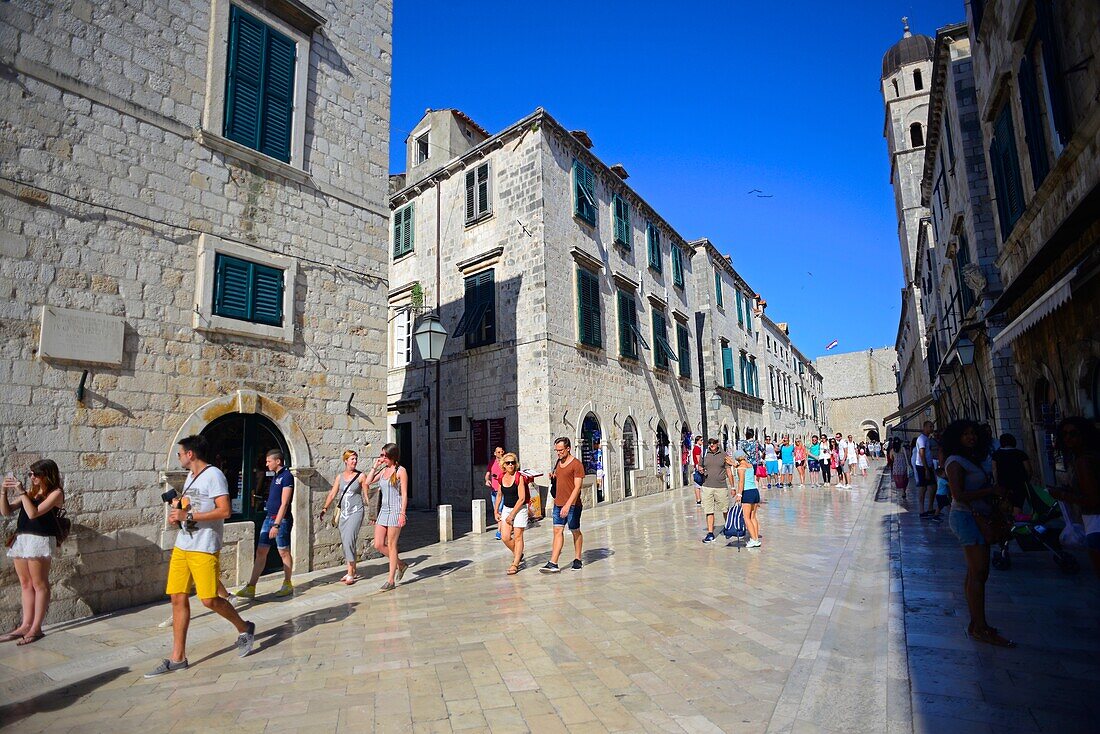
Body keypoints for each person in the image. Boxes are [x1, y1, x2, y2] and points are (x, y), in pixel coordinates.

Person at [146, 436, 255, 676]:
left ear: (191, 454)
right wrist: (180, 508)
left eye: (180, 453)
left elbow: (224, 510)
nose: (179, 457)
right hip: (183, 544)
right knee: (177, 597)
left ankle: (244, 627)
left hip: (204, 546)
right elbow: (194, 505)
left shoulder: (214, 475)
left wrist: (189, 516)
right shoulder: (191, 477)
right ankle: (178, 658)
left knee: (209, 599)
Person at [942, 420, 1014, 647]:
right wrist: (991, 490)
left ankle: (977, 624)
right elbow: (958, 494)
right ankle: (980, 627)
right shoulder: (954, 462)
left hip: (976, 516)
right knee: (979, 572)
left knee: (976, 573)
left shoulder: (970, 458)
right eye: (965, 434)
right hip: (966, 518)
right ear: (957, 438)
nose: (971, 437)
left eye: (973, 433)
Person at [1, 460, 65, 645]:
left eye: (35, 474)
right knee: (25, 583)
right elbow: (5, 512)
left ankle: (36, 628)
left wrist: (22, 493)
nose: (32, 477)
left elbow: (33, 513)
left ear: (47, 475)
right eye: (30, 474)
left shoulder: (56, 493)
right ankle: (25, 625)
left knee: (39, 583)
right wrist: (4, 491)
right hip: (22, 539)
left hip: (40, 539)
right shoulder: (30, 493)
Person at [234, 450, 295, 599]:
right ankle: (251, 586)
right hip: (269, 517)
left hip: (280, 520)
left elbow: (285, 503)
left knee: (283, 551)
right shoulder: (275, 477)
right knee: (261, 551)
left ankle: (287, 583)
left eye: (269, 461)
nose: (266, 464)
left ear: (278, 461)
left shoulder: (287, 477)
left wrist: (277, 524)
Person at [1050, 417, 1100, 578]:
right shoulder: (1091, 457)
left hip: (1096, 523)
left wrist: (1062, 495)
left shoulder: (1083, 461)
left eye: (1073, 434)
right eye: (1064, 434)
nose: (1068, 438)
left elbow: (1093, 500)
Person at [320, 450, 371, 585]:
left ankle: (350, 573)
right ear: (346, 461)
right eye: (352, 459)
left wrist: (372, 510)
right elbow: (332, 494)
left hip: (356, 512)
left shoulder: (361, 476)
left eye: (355, 459)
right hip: (344, 513)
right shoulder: (340, 477)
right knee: (346, 541)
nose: (354, 461)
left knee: (349, 539)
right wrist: (325, 508)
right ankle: (352, 569)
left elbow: (367, 495)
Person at [366, 443, 409, 591]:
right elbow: (367, 482)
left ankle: (390, 580)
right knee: (378, 544)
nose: (382, 458)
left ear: (392, 456)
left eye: (384, 455)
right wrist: (375, 466)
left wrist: (403, 513)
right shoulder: (383, 470)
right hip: (383, 511)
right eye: (381, 455)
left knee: (391, 545)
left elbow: (404, 494)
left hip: (395, 511)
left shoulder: (400, 471)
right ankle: (401, 564)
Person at [542, 437, 584, 573]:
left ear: (568, 448)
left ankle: (577, 559)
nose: (558, 453)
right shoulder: (558, 463)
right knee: (557, 531)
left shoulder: (577, 464)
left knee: (575, 530)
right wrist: (553, 477)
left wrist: (568, 505)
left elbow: (577, 487)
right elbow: (561, 479)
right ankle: (553, 562)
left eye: (560, 450)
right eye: (556, 450)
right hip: (558, 503)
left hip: (573, 505)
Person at [496, 452, 529, 574]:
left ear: (516, 465)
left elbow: (522, 498)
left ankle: (515, 564)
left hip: (519, 509)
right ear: (503, 465)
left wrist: (512, 515)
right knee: (505, 537)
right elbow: (499, 495)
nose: (510, 465)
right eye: (508, 463)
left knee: (518, 536)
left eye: (513, 463)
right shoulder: (501, 477)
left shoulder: (519, 477)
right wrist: (496, 511)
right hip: (506, 508)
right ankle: (518, 553)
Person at [699, 438, 734, 543]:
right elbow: (700, 465)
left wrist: (733, 487)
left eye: (713, 443)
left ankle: (728, 527)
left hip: (721, 487)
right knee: (709, 510)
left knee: (724, 509)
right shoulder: (705, 453)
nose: (711, 445)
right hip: (707, 486)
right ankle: (710, 533)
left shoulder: (724, 454)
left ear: (717, 443)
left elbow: (728, 471)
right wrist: (700, 469)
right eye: (709, 443)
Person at [991, 434, 1032, 518]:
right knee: (1018, 506)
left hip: (1003, 485)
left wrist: (996, 482)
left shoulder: (996, 454)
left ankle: (1011, 524)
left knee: (1005, 506)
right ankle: (1018, 523)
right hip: (1019, 484)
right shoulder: (1021, 453)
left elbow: (994, 470)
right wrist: (1026, 481)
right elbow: (1029, 470)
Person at [732, 450, 762, 548]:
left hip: (747, 492)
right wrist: (734, 465)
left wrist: (739, 494)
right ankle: (756, 538)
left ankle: (753, 540)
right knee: (753, 517)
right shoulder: (749, 465)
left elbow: (741, 482)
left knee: (746, 518)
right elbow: (742, 468)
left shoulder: (741, 468)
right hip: (755, 492)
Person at [915, 421, 936, 517]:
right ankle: (921, 510)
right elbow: (921, 454)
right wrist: (926, 469)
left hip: (928, 465)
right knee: (923, 488)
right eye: (930, 426)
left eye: (932, 426)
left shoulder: (927, 438)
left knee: (933, 486)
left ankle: (930, 508)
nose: (932, 428)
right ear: (924, 427)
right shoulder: (921, 439)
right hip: (922, 466)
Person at [485, 446, 505, 540]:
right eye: (498, 452)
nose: (500, 454)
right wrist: (487, 480)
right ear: (495, 453)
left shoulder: (505, 463)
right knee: (496, 511)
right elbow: (487, 474)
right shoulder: (492, 462)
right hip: (493, 490)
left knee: (499, 511)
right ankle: (504, 527)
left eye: (501, 452)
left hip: (502, 491)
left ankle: (499, 531)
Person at [691, 436, 704, 505]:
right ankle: (698, 499)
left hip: (696, 467)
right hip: (698, 468)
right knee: (698, 484)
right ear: (697, 441)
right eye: (701, 440)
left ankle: (698, 499)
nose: (702, 441)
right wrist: (701, 467)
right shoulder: (697, 448)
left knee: (697, 484)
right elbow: (698, 459)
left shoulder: (696, 448)